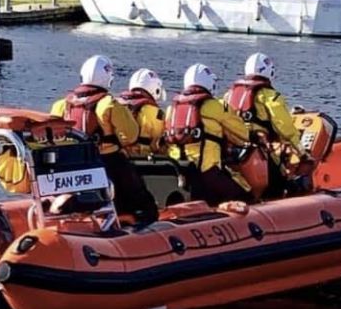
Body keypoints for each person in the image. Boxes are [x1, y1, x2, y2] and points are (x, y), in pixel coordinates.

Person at [51, 55, 158, 224]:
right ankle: (132, 225)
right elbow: (130, 135)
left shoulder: (61, 105)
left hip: (72, 164)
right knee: (145, 205)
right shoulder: (109, 104)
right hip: (109, 163)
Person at [164, 63, 253, 206]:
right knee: (245, 196)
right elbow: (242, 133)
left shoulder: (171, 109)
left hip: (177, 170)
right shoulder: (218, 105)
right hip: (207, 171)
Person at [224, 52, 311, 195]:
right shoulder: (271, 96)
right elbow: (285, 129)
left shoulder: (229, 94)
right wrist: (302, 153)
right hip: (258, 149)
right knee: (280, 180)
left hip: (232, 150)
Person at [118, 68, 167, 156]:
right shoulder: (156, 112)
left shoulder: (118, 105)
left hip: (119, 156)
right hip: (143, 160)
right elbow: (158, 142)